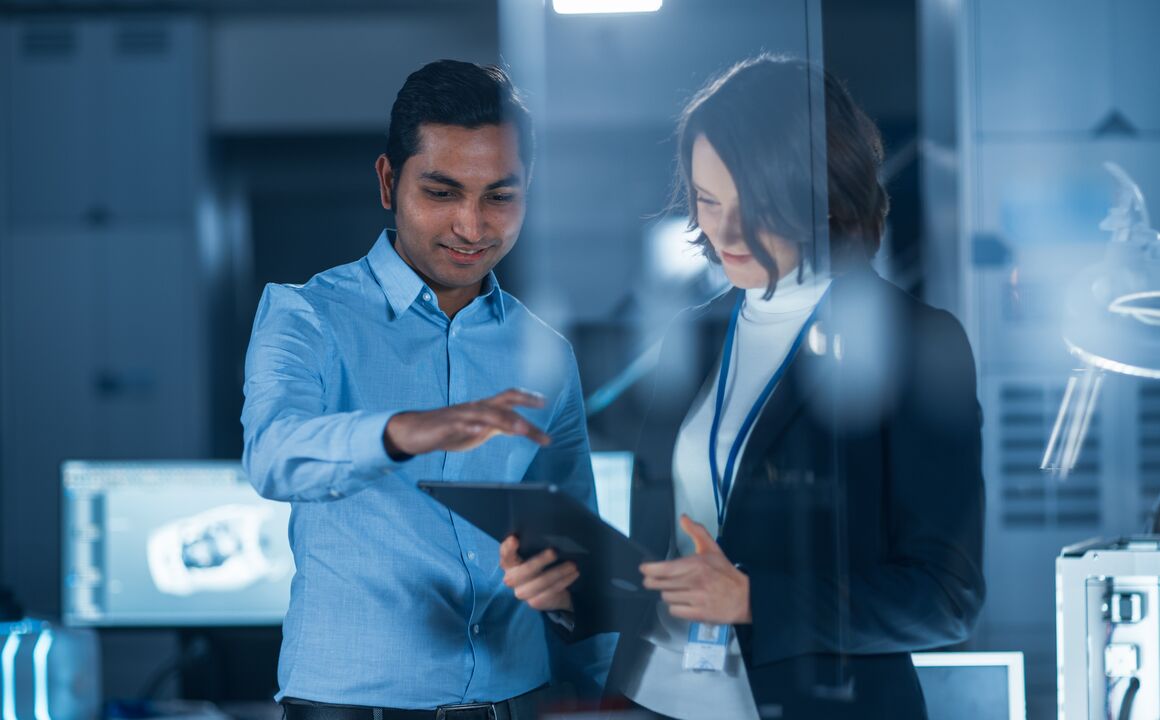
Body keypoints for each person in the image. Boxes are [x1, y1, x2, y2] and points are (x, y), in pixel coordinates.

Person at [500, 54, 985, 719]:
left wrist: (754, 600)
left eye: (752, 205)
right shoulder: (693, 336)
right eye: (706, 200)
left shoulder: (912, 340)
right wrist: (573, 594)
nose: (722, 231)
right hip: (660, 700)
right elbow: (667, 564)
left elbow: (946, 599)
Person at [241, 59, 612, 719]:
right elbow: (272, 454)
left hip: (518, 703)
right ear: (389, 182)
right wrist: (403, 431)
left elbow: (573, 549)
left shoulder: (545, 352)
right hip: (352, 710)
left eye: (500, 195)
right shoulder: (306, 316)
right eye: (441, 192)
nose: (472, 227)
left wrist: (615, 687)